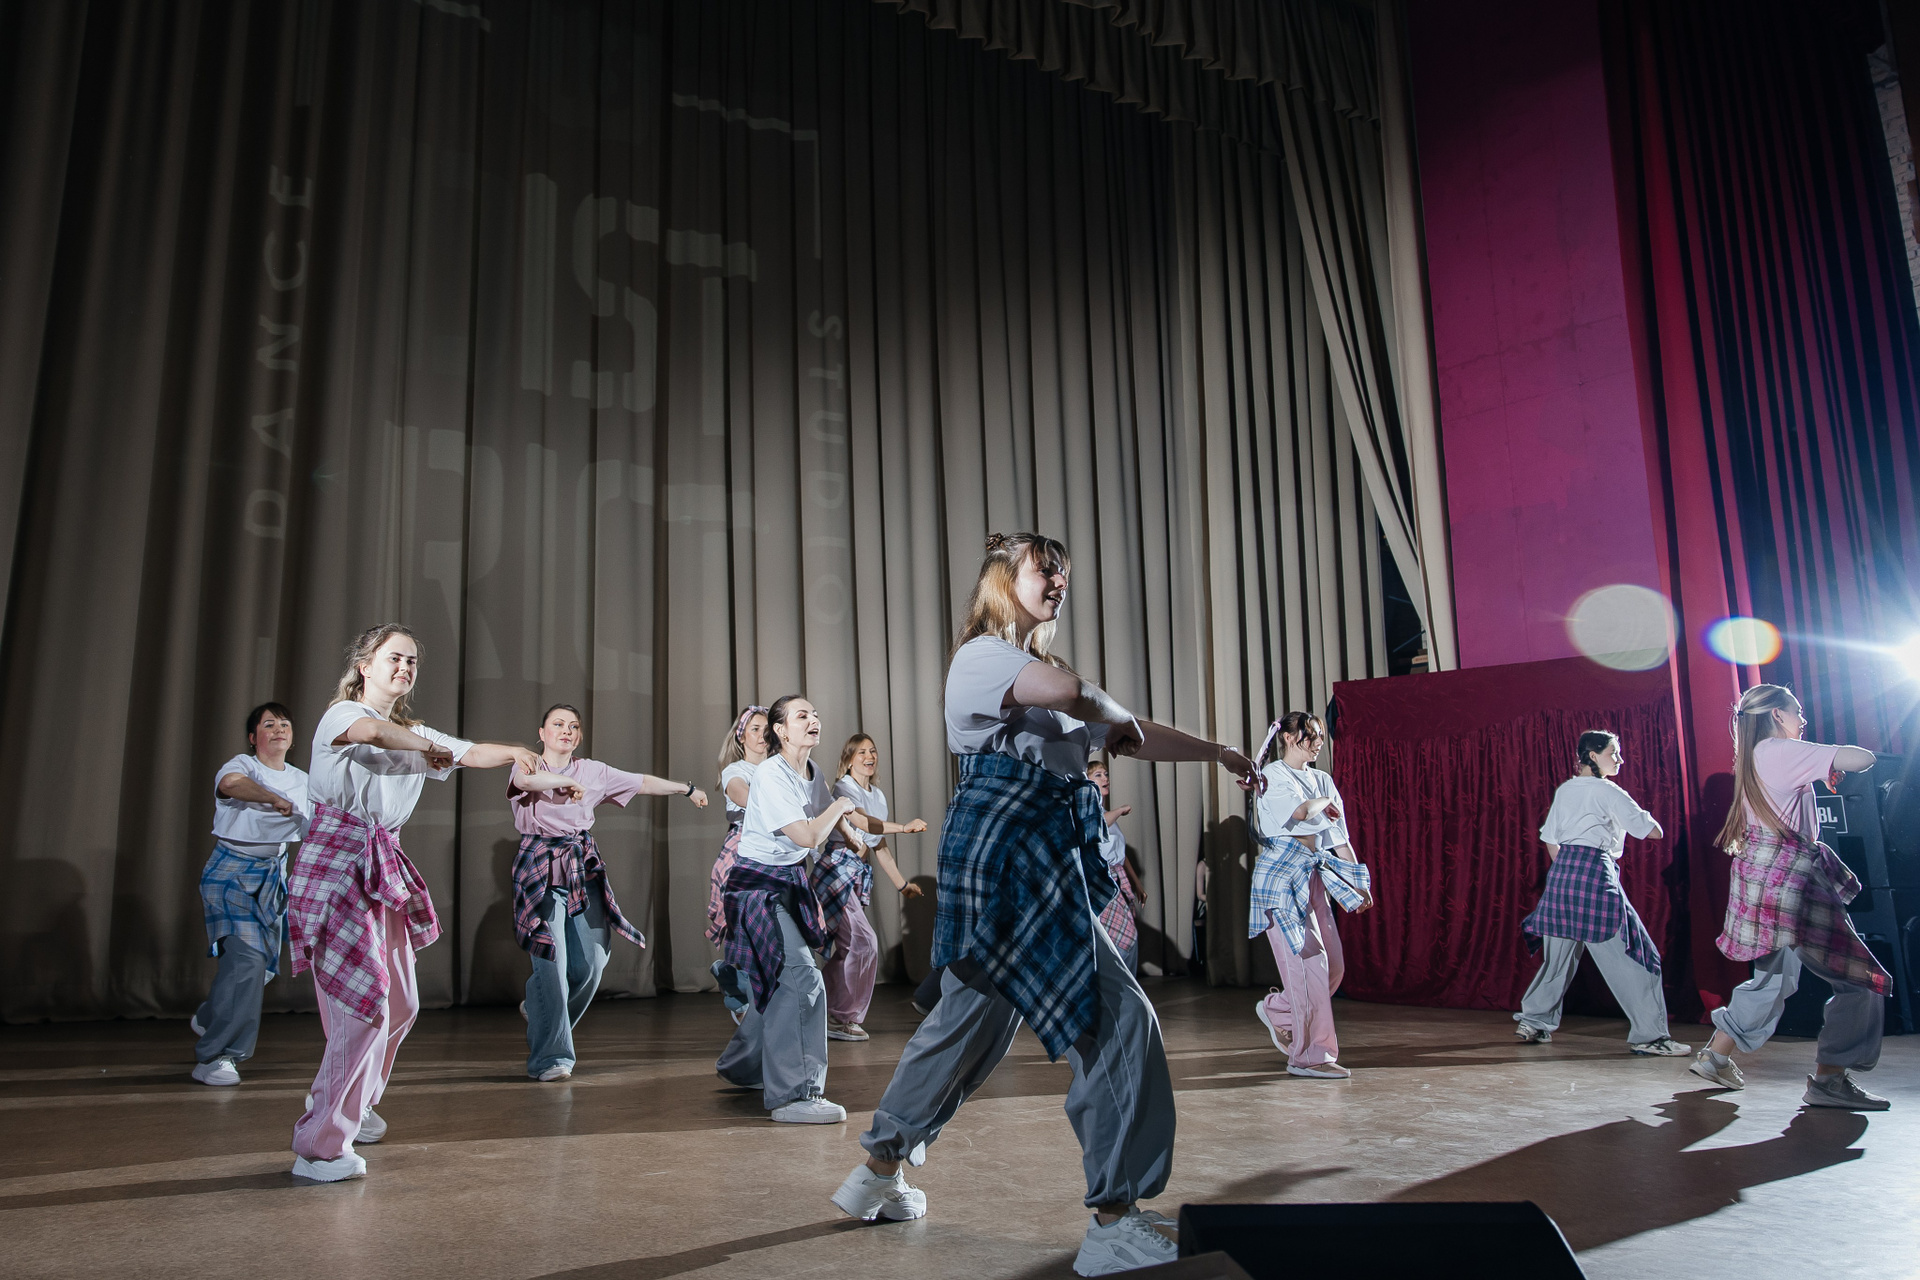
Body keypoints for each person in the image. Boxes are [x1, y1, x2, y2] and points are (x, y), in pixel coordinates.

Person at [832, 531, 1256, 1278]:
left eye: (1064, 572)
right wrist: (1108, 712)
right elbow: (1083, 702)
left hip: (1033, 853)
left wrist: (1215, 752)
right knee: (1117, 1018)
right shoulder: (985, 658)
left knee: (968, 1024)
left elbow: (1126, 729)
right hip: (1012, 855)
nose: (1059, 580)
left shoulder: (1041, 671)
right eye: (1045, 569)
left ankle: (877, 1169)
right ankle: (1114, 1222)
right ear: (1004, 578)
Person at [286, 624, 543, 1183]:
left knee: (401, 1004)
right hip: (337, 864)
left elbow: (470, 751)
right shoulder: (343, 715)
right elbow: (373, 733)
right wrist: (431, 748)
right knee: (363, 1007)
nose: (405, 667)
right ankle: (319, 1147)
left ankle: (356, 1102)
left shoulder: (416, 732)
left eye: (412, 662)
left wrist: (519, 755)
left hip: (381, 864)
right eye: (394, 658)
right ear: (365, 665)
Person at [1689, 684, 1890, 1110]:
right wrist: (1825, 756)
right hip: (1792, 885)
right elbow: (1863, 758)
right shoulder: (1779, 751)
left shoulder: (1756, 755)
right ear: (1777, 715)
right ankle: (1830, 1080)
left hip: (1766, 879)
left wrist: (1816, 765)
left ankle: (1715, 1056)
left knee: (1775, 979)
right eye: (1796, 711)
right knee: (1859, 979)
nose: (1803, 719)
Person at [508, 703, 708, 1081]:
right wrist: (562, 783)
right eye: (558, 724)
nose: (566, 731)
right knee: (552, 963)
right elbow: (526, 783)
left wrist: (687, 789)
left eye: (573, 726)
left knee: (592, 963)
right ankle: (551, 1058)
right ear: (542, 733)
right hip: (539, 867)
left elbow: (641, 782)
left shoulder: (593, 771)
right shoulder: (529, 763)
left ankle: (540, 1009)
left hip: (580, 866)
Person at [714, 695, 871, 1123]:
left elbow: (822, 811)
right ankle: (795, 1096)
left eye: (815, 714)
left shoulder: (811, 770)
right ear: (781, 731)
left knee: (777, 979)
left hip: (788, 882)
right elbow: (806, 835)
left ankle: (742, 1067)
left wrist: (850, 833)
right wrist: (842, 806)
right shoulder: (770, 773)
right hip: (756, 888)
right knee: (802, 979)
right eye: (803, 715)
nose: (814, 719)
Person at [1512, 731, 1690, 1056]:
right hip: (1595, 873)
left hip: (1563, 876)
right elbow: (1654, 832)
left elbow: (1550, 840)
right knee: (1638, 955)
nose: (1620, 759)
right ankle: (1651, 1036)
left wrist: (1570, 868)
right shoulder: (1609, 791)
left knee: (1558, 959)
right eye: (1614, 752)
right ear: (1593, 756)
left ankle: (1534, 1022)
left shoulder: (1566, 789)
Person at [1248, 712, 1373, 1080]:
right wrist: (1323, 802)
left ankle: (1278, 1009)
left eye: (1320, 735)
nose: (1319, 742)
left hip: (1313, 873)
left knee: (1333, 966)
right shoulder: (1272, 775)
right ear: (1289, 737)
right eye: (1312, 735)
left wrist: (1360, 884)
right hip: (1282, 875)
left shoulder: (1322, 779)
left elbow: (1339, 838)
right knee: (1309, 966)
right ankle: (1309, 1056)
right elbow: (1301, 813)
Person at [190, 702, 309, 1086]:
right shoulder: (243, 766)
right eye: (269, 724)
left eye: (285, 724)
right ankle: (216, 1057)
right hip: (231, 873)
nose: (279, 730)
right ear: (253, 737)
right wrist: (271, 797)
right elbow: (230, 786)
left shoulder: (304, 780)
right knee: (248, 964)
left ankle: (210, 1016)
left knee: (262, 969)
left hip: (273, 875)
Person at [817, 733, 929, 1041]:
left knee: (851, 947)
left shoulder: (878, 796)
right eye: (862, 752)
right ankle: (840, 1016)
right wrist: (903, 827)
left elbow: (878, 845)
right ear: (848, 760)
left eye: (873, 751)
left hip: (856, 875)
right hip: (836, 872)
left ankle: (817, 1004)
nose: (869, 757)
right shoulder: (843, 788)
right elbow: (864, 824)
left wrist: (902, 885)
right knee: (863, 942)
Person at [708, 706, 768, 1022]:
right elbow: (744, 797)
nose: (762, 735)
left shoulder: (780, 769)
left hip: (775, 853)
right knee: (745, 927)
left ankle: (740, 986)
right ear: (741, 736)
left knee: (770, 930)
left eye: (767, 729)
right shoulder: (736, 770)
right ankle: (739, 992)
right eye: (755, 729)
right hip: (743, 853)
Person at [1087, 759, 1141, 973]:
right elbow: (1097, 826)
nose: (1105, 778)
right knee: (1122, 937)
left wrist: (1137, 884)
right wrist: (1119, 810)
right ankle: (1115, 979)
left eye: (1106, 774)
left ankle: (1123, 980)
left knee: (1125, 936)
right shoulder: (1090, 812)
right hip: (1102, 880)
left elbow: (1121, 855)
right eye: (1098, 775)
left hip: (1118, 879)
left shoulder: (1104, 811)